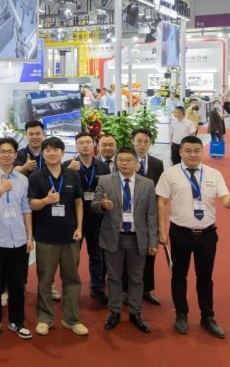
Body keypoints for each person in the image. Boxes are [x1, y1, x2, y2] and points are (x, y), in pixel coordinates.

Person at [157, 136, 230, 338]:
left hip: (207, 234)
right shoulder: (170, 174)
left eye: (196, 151)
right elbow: (161, 201)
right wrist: (162, 230)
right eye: (188, 151)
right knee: (179, 275)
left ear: (202, 152)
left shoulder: (214, 174)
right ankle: (181, 314)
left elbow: (224, 198)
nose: (192, 155)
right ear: (180, 152)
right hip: (180, 233)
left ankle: (207, 317)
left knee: (205, 277)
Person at [92, 146, 158, 334]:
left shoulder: (147, 184)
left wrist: (153, 241)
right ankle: (114, 312)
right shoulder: (105, 181)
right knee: (114, 278)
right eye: (120, 160)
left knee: (136, 279)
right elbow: (94, 205)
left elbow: (151, 214)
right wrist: (102, 205)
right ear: (116, 162)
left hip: (138, 239)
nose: (124, 163)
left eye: (129, 160)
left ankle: (136, 313)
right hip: (114, 237)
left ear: (136, 163)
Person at [29, 136, 87, 337]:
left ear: (63, 153)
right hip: (45, 237)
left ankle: (72, 319)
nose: (52, 153)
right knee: (45, 280)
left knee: (72, 279)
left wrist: (79, 227)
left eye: (56, 149)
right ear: (43, 154)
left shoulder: (72, 175)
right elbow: (31, 204)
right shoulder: (36, 176)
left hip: (70, 236)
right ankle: (45, 318)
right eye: (48, 150)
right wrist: (46, 200)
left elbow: (78, 202)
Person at [0, 137, 33, 340]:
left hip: (18, 238)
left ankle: (16, 321)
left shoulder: (23, 180)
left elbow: (26, 209)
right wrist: (1, 190)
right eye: (2, 151)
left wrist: (29, 236)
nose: (6, 155)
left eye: (10, 151)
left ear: (16, 154)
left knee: (17, 284)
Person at [65, 132, 110, 306]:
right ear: (76, 146)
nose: (85, 145)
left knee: (97, 256)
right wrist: (69, 172)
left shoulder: (102, 167)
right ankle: (71, 290)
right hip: (74, 220)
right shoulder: (67, 165)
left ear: (94, 145)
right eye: (81, 143)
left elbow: (106, 191)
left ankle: (97, 288)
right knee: (72, 258)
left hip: (97, 218)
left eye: (88, 142)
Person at [124, 128, 164, 307]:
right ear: (132, 142)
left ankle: (147, 288)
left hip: (149, 215)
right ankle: (125, 289)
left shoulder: (157, 163)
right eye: (139, 141)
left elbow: (160, 192)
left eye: (146, 141)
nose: (142, 145)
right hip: (127, 212)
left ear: (150, 143)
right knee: (127, 251)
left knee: (149, 252)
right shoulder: (125, 161)